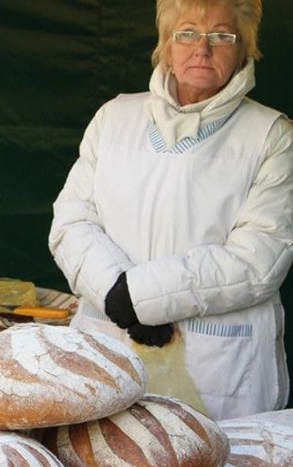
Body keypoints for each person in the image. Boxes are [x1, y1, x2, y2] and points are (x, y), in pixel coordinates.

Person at [48, 0, 293, 421]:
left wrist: (142, 298)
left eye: (222, 35)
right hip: (108, 339)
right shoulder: (114, 117)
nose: (203, 48)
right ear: (165, 44)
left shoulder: (272, 136)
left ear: (243, 50)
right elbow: (72, 221)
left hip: (219, 366)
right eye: (187, 33)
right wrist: (116, 296)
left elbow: (260, 259)